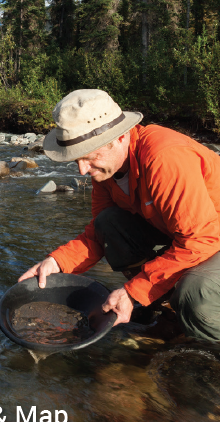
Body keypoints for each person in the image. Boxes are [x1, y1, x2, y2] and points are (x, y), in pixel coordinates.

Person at [19, 89, 220, 341]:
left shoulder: (164, 159)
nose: (83, 170)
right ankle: (167, 315)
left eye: (89, 157)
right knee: (109, 224)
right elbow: (97, 234)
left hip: (210, 237)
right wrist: (57, 263)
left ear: (120, 137)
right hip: (188, 234)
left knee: (197, 296)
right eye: (76, 161)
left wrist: (133, 291)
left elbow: (201, 239)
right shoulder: (107, 171)